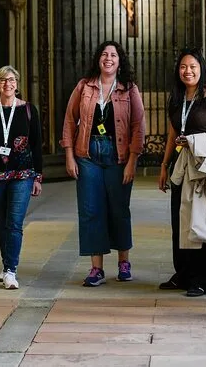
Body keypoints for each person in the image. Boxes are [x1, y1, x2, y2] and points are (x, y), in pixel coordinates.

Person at [61, 41, 145, 287]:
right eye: (104, 54)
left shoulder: (129, 89)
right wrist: (69, 155)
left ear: (120, 61)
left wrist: (132, 161)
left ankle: (124, 263)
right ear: (98, 59)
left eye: (113, 55)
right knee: (91, 211)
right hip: (87, 156)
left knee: (119, 209)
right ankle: (96, 269)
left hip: (118, 157)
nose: (108, 58)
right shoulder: (84, 86)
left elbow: (138, 126)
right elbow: (69, 120)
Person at [158, 48, 206, 297]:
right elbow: (172, 133)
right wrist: (164, 165)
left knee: (204, 222)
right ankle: (183, 274)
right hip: (181, 166)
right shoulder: (177, 97)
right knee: (180, 220)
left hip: (203, 166)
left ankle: (204, 280)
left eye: (192, 67)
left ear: (201, 69)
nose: (187, 71)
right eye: (183, 67)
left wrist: (195, 140)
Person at [0, 65, 43, 290]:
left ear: (17, 84)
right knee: (2, 222)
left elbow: (36, 145)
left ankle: (11, 270)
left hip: (22, 174)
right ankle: (6, 266)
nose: (8, 84)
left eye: (12, 80)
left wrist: (38, 177)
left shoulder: (28, 110)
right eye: (3, 80)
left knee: (14, 222)